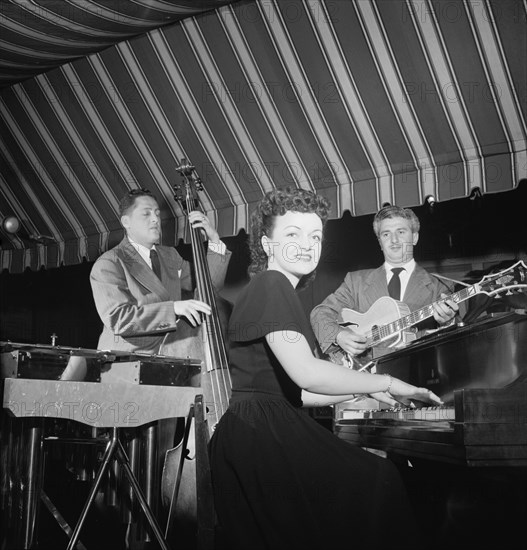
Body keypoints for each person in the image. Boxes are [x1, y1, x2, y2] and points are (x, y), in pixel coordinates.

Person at [209, 187, 442, 550]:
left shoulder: (273, 288)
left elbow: (300, 393)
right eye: (292, 234)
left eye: (315, 236)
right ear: (267, 243)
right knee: (379, 480)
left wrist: (365, 389)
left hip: (257, 428)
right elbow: (306, 373)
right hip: (261, 436)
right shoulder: (271, 285)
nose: (306, 244)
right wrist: (388, 382)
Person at [90, 187, 231, 357]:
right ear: (126, 222)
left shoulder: (170, 255)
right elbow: (120, 319)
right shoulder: (109, 263)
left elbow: (208, 287)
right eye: (146, 214)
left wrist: (214, 240)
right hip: (129, 360)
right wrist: (173, 309)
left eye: (157, 213)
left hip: (172, 355)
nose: (155, 219)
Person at [310, 205, 459, 364]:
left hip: (417, 374)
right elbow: (319, 314)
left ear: (414, 237)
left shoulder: (439, 286)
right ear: (380, 242)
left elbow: (456, 343)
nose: (394, 240)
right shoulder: (356, 282)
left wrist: (448, 322)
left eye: (401, 232)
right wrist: (339, 335)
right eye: (386, 234)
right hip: (364, 378)